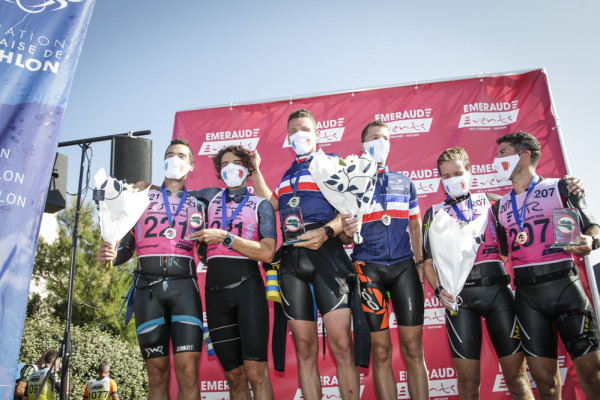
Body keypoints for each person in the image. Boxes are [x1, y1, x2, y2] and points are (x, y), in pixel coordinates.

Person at [251, 109, 367, 400]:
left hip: (328, 256)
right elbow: (270, 204)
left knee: (342, 344)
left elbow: (351, 209)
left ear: (317, 134)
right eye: (292, 131)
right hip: (293, 260)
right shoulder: (288, 174)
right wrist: (256, 170)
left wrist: (326, 232)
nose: (298, 135)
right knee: (304, 349)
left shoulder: (332, 163)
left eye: (304, 129)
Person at [492, 131, 600, 400]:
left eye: (502, 153)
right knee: (545, 384)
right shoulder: (500, 206)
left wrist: (591, 241)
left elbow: (593, 227)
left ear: (524, 155)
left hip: (566, 288)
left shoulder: (561, 188)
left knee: (593, 375)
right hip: (528, 298)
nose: (496, 159)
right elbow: (501, 254)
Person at [421, 147, 533, 400]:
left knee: (517, 379)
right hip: (460, 301)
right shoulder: (433, 213)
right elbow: (427, 263)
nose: (452, 180)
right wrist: (439, 290)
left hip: (498, 294)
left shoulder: (493, 201)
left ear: (469, 171)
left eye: (457, 173)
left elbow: (507, 246)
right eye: (446, 176)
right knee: (469, 385)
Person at [97, 138, 203, 400]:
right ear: (163, 161)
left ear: (191, 166)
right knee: (155, 374)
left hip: (184, 289)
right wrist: (110, 255)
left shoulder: (200, 203)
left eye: (181, 156)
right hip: (148, 290)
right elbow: (126, 247)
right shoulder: (141, 197)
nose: (175, 159)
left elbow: (208, 251)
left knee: (188, 372)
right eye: (170, 154)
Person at [339, 120, 429, 400]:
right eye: (375, 137)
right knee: (381, 351)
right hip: (369, 270)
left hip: (404, 268)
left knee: (414, 349)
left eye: (386, 138)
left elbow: (415, 226)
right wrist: (346, 230)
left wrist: (420, 263)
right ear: (362, 145)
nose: (382, 142)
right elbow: (341, 235)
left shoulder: (405, 182)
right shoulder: (351, 184)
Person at [187, 145, 277, 400]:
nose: (230, 168)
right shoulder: (210, 197)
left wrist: (226, 238)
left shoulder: (261, 205)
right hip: (215, 295)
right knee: (234, 376)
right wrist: (144, 187)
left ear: (248, 169)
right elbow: (174, 193)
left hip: (248, 291)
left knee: (256, 373)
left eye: (236, 163)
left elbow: (267, 252)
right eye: (224, 164)